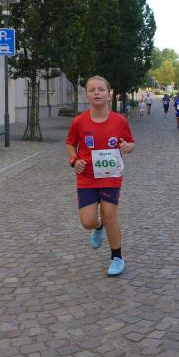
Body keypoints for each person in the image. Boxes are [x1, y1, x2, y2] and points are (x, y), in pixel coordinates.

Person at [66, 75, 136, 277]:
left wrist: (127, 146)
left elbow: (131, 143)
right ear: (87, 95)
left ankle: (117, 257)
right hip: (87, 177)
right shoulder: (79, 122)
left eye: (101, 89)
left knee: (109, 214)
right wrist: (74, 160)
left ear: (109, 94)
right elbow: (70, 143)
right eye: (92, 90)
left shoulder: (120, 121)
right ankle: (98, 227)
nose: (96, 92)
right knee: (88, 221)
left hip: (110, 175)